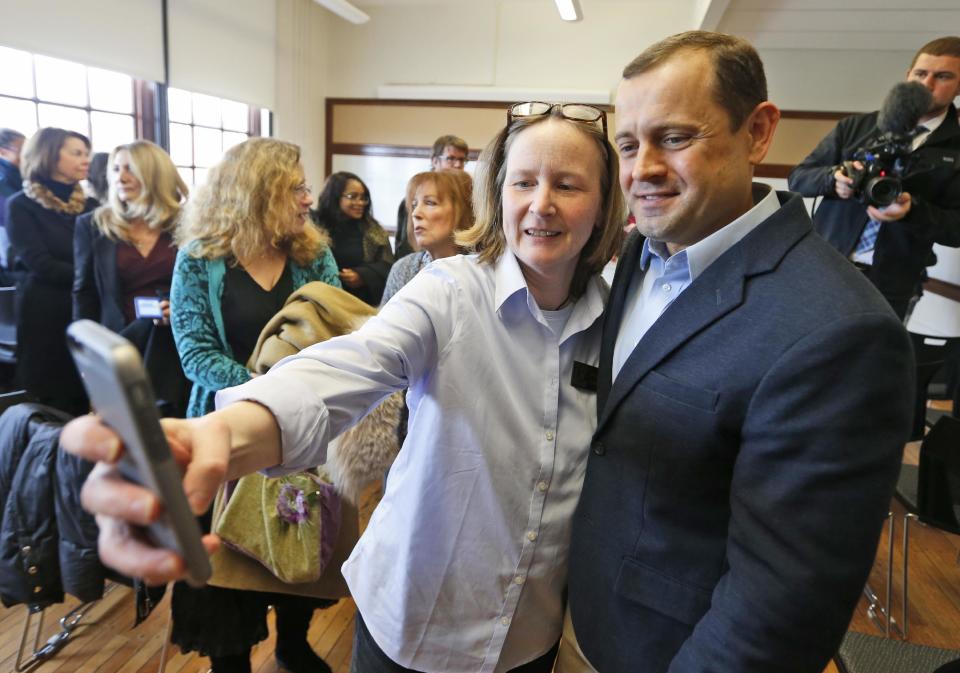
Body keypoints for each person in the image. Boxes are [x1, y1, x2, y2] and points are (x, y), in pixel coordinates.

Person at [61, 102, 626, 672]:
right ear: (498, 195)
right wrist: (220, 435)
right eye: (524, 182)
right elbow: (344, 364)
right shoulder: (450, 292)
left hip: (530, 633)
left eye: (569, 185)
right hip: (417, 619)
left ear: (603, 205)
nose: (542, 203)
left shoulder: (620, 318)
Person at [558, 31, 915, 673]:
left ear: (757, 131)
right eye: (629, 145)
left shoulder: (839, 332)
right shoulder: (641, 251)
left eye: (674, 138)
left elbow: (781, 607)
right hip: (589, 623)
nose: (642, 170)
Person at [168, 137, 342, 673]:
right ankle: (232, 660)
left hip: (304, 429)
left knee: (299, 540)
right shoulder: (200, 260)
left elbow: (337, 336)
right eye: (295, 188)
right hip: (223, 431)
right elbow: (195, 352)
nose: (307, 199)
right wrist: (261, 393)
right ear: (257, 191)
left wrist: (291, 396)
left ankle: (292, 641)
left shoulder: (315, 254)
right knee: (225, 567)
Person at [788, 36, 960, 321]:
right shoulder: (856, 127)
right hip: (822, 268)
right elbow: (799, 178)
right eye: (920, 73)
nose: (927, 84)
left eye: (942, 76)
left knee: (867, 364)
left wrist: (912, 211)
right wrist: (834, 179)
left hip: (891, 285)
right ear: (908, 76)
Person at [72, 141, 189, 416]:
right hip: (118, 342)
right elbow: (84, 293)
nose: (120, 177)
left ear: (155, 175)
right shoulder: (93, 224)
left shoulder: (188, 224)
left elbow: (205, 287)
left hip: (175, 343)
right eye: (115, 169)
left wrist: (181, 309)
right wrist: (85, 355)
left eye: (130, 169)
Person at [6, 127, 96, 414]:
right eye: (76, 153)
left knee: (92, 395)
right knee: (53, 401)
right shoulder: (21, 205)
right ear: (50, 156)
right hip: (45, 313)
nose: (86, 160)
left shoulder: (93, 206)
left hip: (88, 310)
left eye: (87, 153)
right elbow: (40, 264)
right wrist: (93, 278)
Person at [380, 168, 472, 306]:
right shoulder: (403, 268)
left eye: (430, 203)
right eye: (414, 205)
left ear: (463, 211)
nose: (415, 213)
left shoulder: (483, 271)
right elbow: (384, 326)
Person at [312, 171, 394, 306]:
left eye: (363, 197)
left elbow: (389, 266)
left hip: (359, 306)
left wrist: (363, 275)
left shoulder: (373, 230)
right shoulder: (315, 226)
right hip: (320, 302)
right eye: (352, 196)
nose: (360, 202)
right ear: (334, 197)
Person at [393, 134, 469, 258]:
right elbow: (405, 243)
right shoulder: (412, 198)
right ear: (434, 161)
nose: (457, 165)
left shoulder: (470, 198)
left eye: (461, 160)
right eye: (450, 158)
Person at [0, 128, 25, 282]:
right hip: (10, 258)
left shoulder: (23, 177)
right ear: (3, 152)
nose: (27, 155)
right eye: (22, 150)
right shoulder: (4, 181)